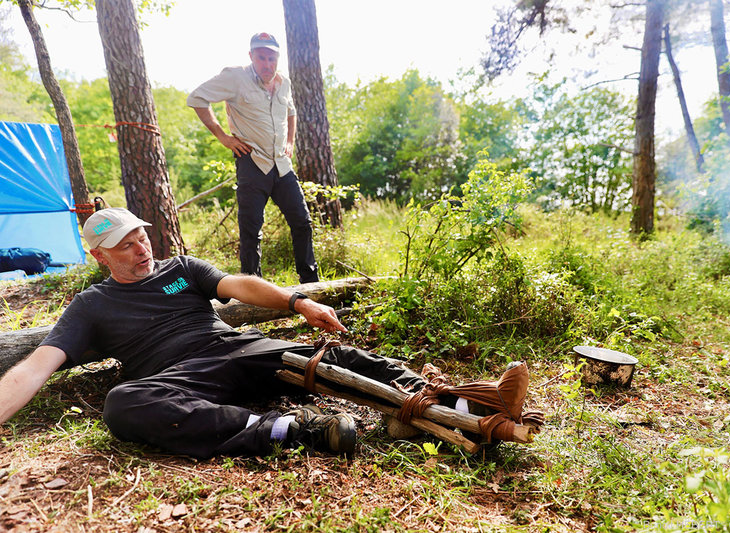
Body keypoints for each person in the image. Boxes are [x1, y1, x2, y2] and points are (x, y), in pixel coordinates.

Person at [0, 208, 434, 458]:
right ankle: (291, 430)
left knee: (329, 356)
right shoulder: (91, 304)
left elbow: (237, 285)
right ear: (100, 256)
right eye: (125, 244)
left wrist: (297, 302)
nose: (141, 248)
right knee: (122, 404)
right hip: (181, 377)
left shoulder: (182, 268)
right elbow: (37, 366)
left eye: (141, 237)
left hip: (234, 347)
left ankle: (431, 395)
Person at [187, 32, 318, 284]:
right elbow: (196, 98)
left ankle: (312, 284)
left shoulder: (284, 83)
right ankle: (253, 290)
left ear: (277, 58)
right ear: (251, 56)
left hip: (281, 165)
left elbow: (291, 111)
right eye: (261, 58)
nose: (267, 64)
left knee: (302, 223)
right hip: (252, 162)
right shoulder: (235, 78)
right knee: (251, 230)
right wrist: (223, 137)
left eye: (272, 58)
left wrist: (290, 141)